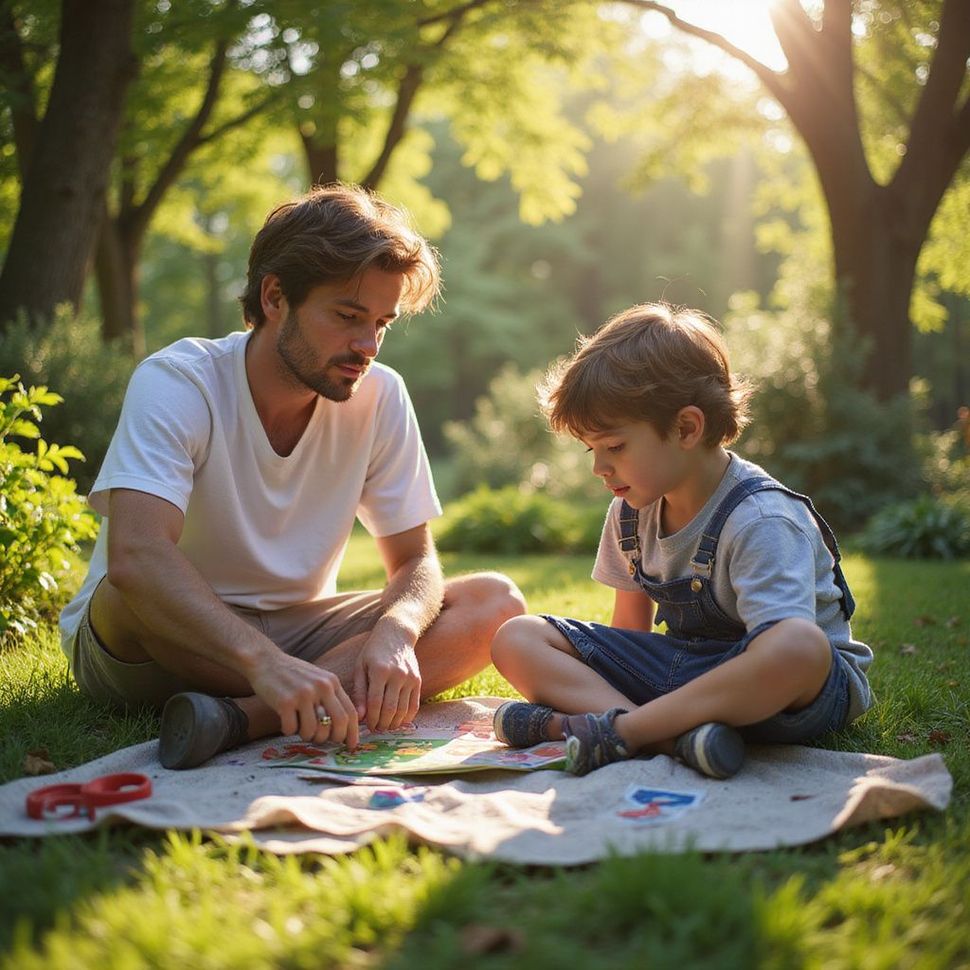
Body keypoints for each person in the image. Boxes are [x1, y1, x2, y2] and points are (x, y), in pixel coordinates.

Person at [59, 183, 525, 769]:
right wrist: (265, 664)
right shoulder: (180, 381)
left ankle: (240, 720)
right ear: (276, 296)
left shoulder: (381, 395)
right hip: (154, 638)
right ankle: (286, 691)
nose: (368, 346)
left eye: (382, 323)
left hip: (298, 634)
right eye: (348, 316)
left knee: (494, 602)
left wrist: (398, 630)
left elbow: (415, 559)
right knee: (126, 592)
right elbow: (137, 555)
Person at [489, 303, 873, 779]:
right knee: (518, 636)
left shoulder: (761, 519)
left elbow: (786, 653)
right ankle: (676, 739)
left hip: (794, 696)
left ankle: (619, 733)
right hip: (687, 676)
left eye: (616, 446)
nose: (599, 468)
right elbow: (631, 635)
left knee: (799, 644)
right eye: (593, 450)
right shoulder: (629, 512)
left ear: (687, 428)